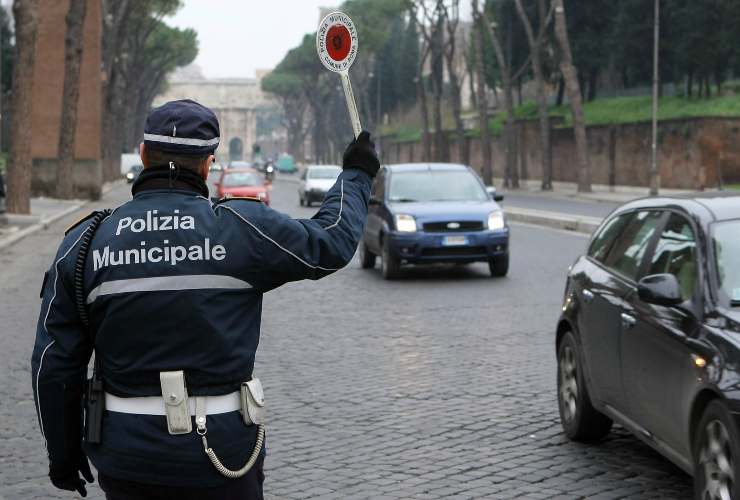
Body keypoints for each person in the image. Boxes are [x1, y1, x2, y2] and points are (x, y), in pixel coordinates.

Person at [30, 99, 379, 499]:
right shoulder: (244, 228)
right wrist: (356, 174)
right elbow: (331, 240)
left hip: (126, 453)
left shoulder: (86, 241)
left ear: (144, 155)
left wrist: (62, 452)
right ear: (208, 164)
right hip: (223, 451)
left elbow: (54, 364)